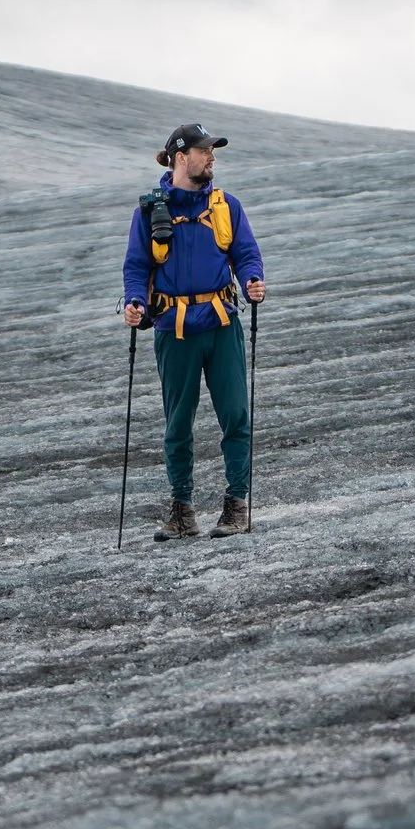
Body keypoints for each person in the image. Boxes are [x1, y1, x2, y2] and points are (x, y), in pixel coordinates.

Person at [122, 122, 266, 539]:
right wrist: (135, 303)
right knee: (177, 424)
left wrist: (252, 279)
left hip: (222, 325)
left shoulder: (227, 205)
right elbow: (137, 267)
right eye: (205, 151)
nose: (212, 157)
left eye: (213, 151)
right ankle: (182, 511)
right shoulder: (149, 213)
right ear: (181, 157)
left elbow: (246, 253)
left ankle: (236, 507)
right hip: (174, 329)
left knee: (235, 415)